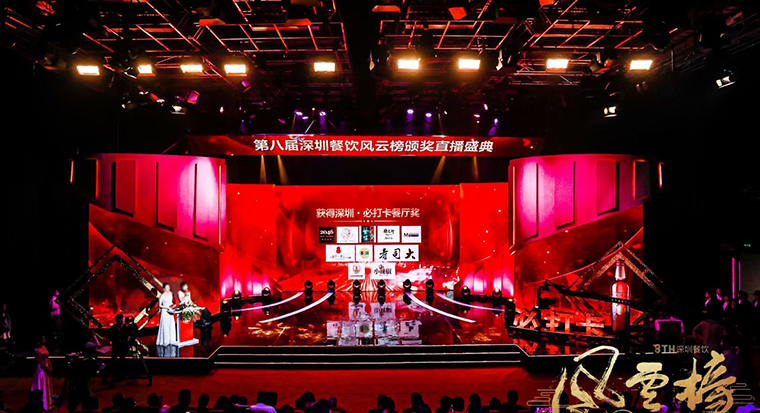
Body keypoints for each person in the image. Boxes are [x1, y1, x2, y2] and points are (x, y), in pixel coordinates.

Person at [31, 336, 53, 410]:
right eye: (43, 338)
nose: (44, 339)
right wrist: (46, 368)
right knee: (42, 385)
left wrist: (50, 366)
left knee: (47, 385)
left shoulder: (44, 347)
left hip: (47, 368)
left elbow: (47, 358)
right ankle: (43, 405)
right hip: (42, 370)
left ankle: (49, 404)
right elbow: (40, 362)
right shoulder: (37, 350)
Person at [156, 283, 178, 347]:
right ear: (164, 288)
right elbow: (160, 305)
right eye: (167, 287)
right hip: (165, 311)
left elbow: (171, 302)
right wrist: (167, 307)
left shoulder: (170, 293)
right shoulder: (162, 295)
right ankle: (165, 340)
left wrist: (173, 306)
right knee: (165, 325)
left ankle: (171, 340)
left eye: (169, 287)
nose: (168, 288)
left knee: (170, 324)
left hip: (170, 310)